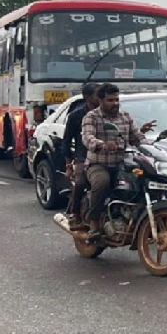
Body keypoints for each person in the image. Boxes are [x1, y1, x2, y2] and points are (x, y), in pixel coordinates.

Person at [78, 83, 154, 241]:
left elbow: (137, 137)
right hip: (98, 164)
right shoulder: (91, 117)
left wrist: (150, 147)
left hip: (122, 163)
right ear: (100, 100)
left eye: (117, 99)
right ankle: (94, 224)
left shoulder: (125, 116)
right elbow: (87, 137)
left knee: (144, 179)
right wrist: (102, 144)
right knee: (101, 182)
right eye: (110, 100)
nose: (115, 103)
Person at [62, 83, 100, 229]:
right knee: (80, 183)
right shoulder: (75, 116)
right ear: (88, 97)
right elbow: (66, 142)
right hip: (82, 157)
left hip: (104, 157)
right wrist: (69, 166)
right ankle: (74, 212)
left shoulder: (108, 114)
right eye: (98, 95)